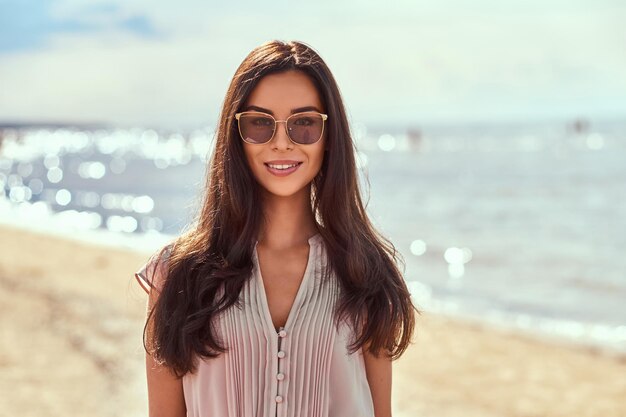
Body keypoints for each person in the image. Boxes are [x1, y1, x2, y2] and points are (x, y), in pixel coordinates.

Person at [134, 40, 418, 417]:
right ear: (236, 135)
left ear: (329, 136)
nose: (281, 142)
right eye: (259, 123)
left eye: (304, 123)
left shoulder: (364, 270)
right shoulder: (177, 274)